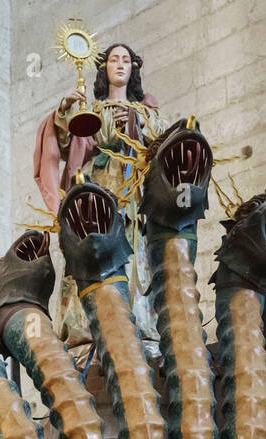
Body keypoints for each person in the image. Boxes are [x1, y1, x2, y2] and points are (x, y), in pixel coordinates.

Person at [33, 43, 163, 344]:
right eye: (114, 60)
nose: (120, 65)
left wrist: (136, 123)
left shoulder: (145, 106)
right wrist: (65, 110)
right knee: (89, 241)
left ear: (133, 68)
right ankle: (85, 322)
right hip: (98, 185)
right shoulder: (91, 109)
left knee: (135, 245)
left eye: (126, 60)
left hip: (133, 190)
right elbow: (67, 144)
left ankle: (135, 318)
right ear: (104, 68)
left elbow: (161, 136)